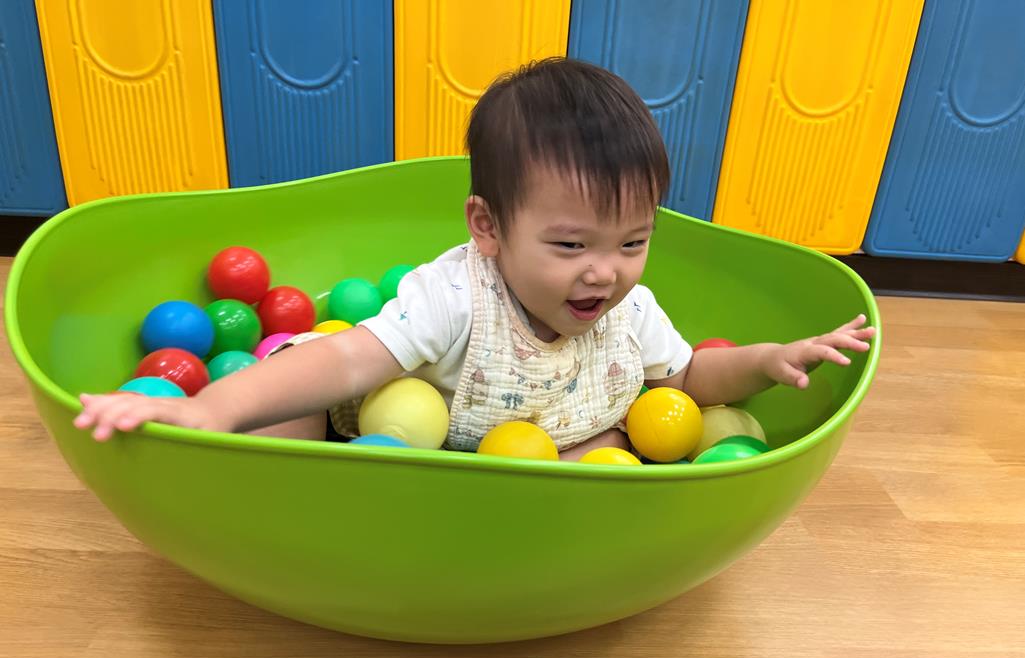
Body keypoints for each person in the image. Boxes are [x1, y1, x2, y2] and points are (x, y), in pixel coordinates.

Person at [75, 58, 874, 461]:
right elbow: (349, 357)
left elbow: (690, 377)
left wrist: (767, 360)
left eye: (632, 242)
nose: (605, 271)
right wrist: (214, 409)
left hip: (524, 466)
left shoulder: (629, 310)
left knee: (613, 450)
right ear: (487, 228)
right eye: (570, 245)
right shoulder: (456, 294)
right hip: (389, 440)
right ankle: (247, 478)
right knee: (296, 400)